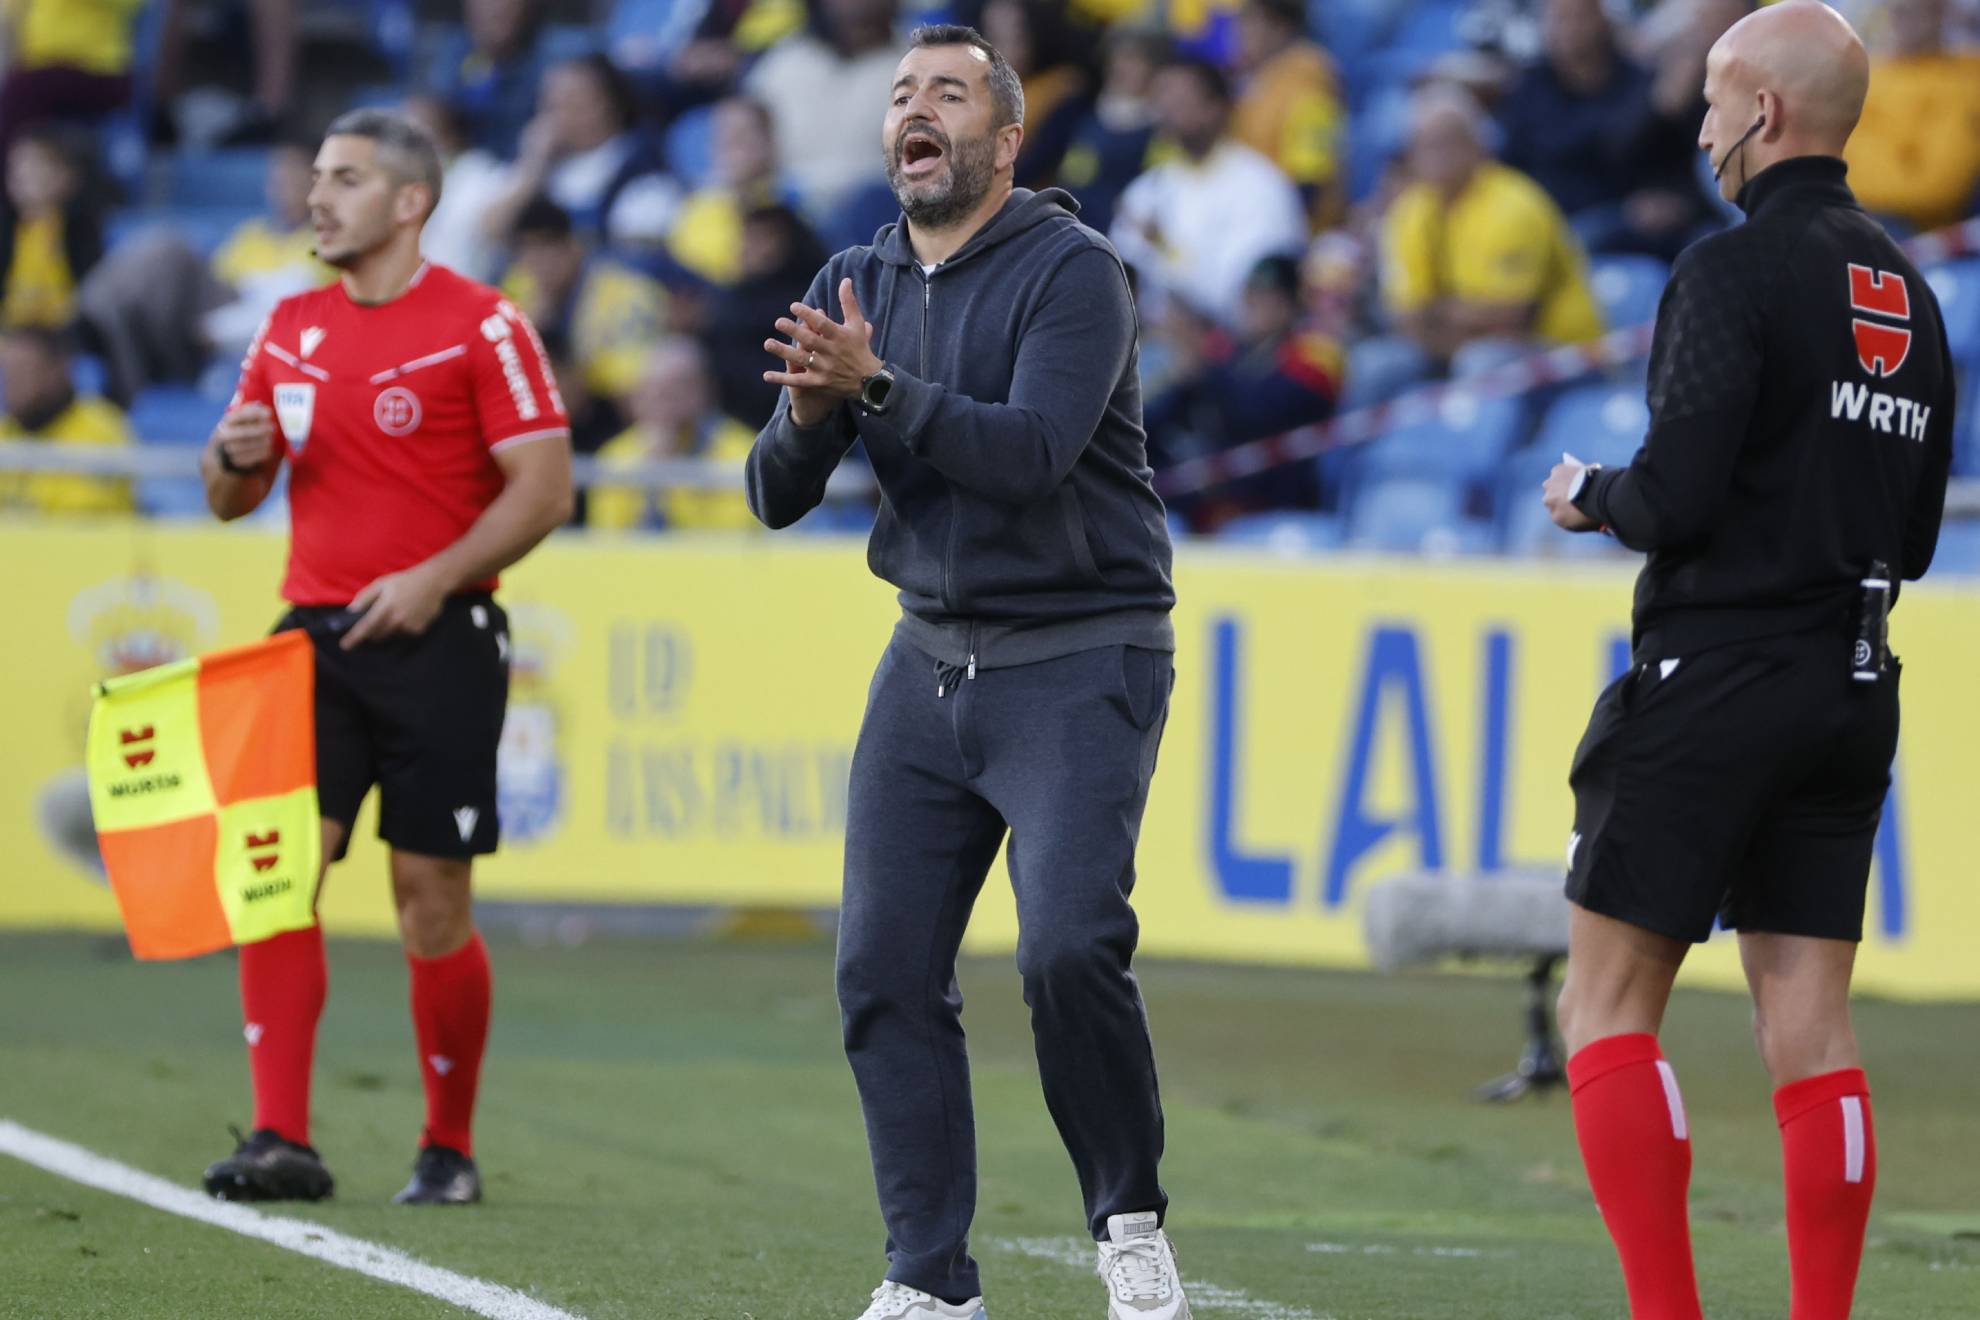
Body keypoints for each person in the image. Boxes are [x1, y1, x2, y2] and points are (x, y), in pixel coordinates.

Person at [744, 24, 1189, 1320]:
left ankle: (1130, 1220)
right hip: (929, 656)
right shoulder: (853, 274)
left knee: (1066, 950)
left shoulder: (1076, 272)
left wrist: (872, 386)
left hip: (1078, 654)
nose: (914, 111)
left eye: (947, 92)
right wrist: (813, 412)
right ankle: (930, 1281)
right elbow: (774, 494)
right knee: (880, 970)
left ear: (1004, 141)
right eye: (900, 95)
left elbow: (1035, 453)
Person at [1539, 5, 1954, 1317]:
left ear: (1765, 114)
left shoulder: (1729, 271)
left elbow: (1679, 497)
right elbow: (1923, 536)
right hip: (1852, 691)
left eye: (1715, 101)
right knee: (1812, 1030)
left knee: (1604, 1009)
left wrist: (1591, 493)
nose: (1702, 125)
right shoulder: (1912, 291)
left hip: (1717, 674)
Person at [196, 109, 573, 1207]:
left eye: (346, 179)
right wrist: (228, 455)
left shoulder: (482, 325)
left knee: (429, 898)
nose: (318, 197)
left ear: (411, 203)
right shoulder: (288, 324)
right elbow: (230, 498)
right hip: (310, 637)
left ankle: (446, 1148)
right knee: (276, 876)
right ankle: (279, 1138)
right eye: (317, 176)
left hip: (441, 636)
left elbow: (545, 491)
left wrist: (432, 577)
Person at [1380, 86, 1603, 372]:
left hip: (1560, 351)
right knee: (1380, 364)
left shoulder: (1515, 204)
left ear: (1477, 145)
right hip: (1454, 346)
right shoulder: (1410, 211)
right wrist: (1454, 315)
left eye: (1449, 141)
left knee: (1480, 362)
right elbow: (1406, 315)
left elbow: (1510, 318)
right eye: (1426, 145)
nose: (1438, 155)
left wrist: (1436, 311)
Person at [1498, 0, 1715, 260]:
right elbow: (1512, 173)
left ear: (1604, 21)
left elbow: (1678, 158)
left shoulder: (1641, 79)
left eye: (1580, 17)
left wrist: (1676, 202)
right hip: (1562, 225)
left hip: (1650, 225)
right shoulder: (1528, 90)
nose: (1571, 29)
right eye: (1559, 19)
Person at [1110, 54, 1307, 326]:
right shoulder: (1146, 190)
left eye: (1180, 101)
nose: (1167, 110)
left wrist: (1164, 249)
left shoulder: (1261, 187)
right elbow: (1118, 287)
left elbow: (1242, 302)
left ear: (1216, 108)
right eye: (1162, 99)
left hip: (1223, 348)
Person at [742, 0, 902, 215]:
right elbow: (746, 148)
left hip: (881, 214)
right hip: (790, 214)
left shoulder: (920, 62)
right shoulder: (782, 64)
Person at [589, 336, 757, 532]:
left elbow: (738, 535)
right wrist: (652, 479)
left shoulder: (742, 451)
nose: (664, 398)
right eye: (653, 387)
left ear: (705, 390)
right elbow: (608, 539)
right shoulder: (614, 457)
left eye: (677, 386)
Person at [1842, 0, 1980, 233]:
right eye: (1896, 9)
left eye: (1913, 10)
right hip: (1847, 211)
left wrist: (1851, 177)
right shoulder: (1865, 71)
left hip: (1912, 232)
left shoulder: (1964, 80)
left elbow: (1936, 189)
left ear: (1940, 12)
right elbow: (1829, 152)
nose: (1900, 19)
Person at [1230, 0, 1346, 227]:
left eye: (1250, 23)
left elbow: (1310, 178)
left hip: (1295, 226)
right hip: (1254, 213)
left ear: (1281, 27)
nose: (1240, 33)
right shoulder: (1257, 79)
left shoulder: (1308, 78)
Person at [0, 324, 133, 515]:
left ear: (56, 372)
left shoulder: (100, 431)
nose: (11, 387)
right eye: (7, 374)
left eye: (23, 372)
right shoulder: (5, 431)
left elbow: (83, 519)